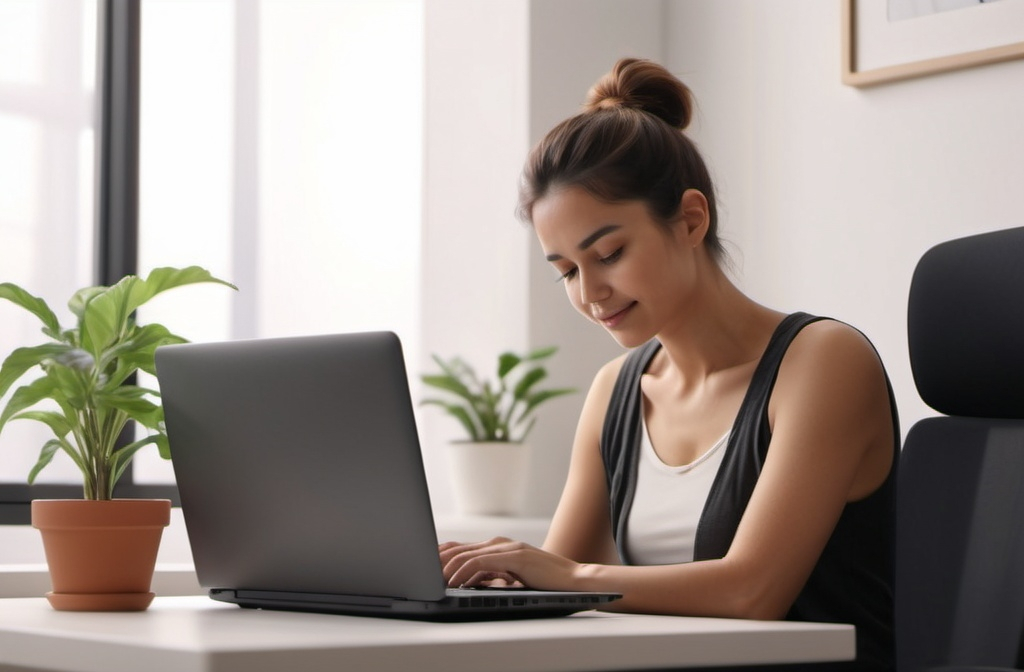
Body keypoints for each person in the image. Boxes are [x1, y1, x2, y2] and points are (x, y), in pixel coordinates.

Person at [439, 58, 898, 672]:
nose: (589, 293)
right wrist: (494, 580)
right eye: (567, 272)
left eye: (608, 253)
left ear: (690, 219)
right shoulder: (617, 392)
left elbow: (750, 591)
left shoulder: (822, 363)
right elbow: (549, 594)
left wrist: (570, 574)